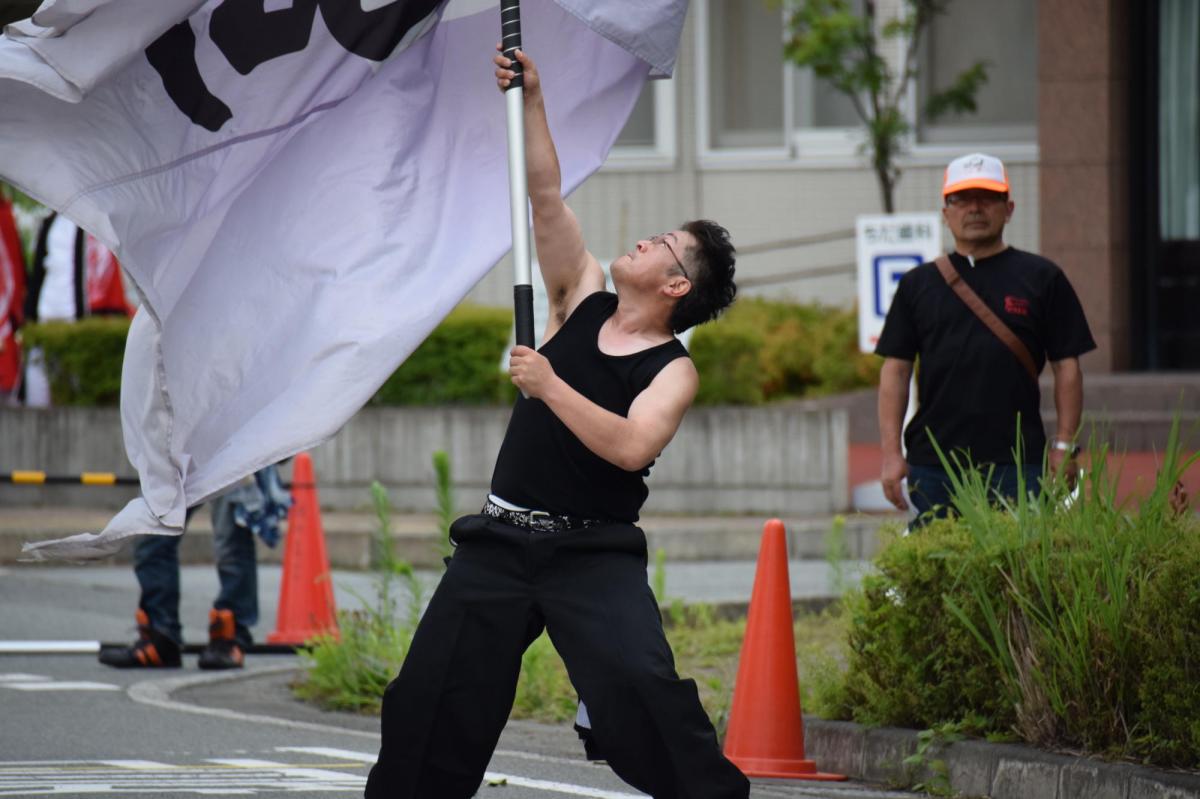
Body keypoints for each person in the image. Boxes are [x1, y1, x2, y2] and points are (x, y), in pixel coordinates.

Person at [363, 47, 748, 799]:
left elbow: (632, 444)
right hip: (499, 542)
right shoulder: (581, 292)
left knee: (643, 696)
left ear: (675, 284)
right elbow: (544, 196)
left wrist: (548, 384)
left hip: (591, 556)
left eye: (663, 245)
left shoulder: (673, 370)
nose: (644, 239)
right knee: (430, 699)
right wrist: (531, 98)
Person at [875, 153, 1096, 522]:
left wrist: (1063, 446)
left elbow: (1067, 367)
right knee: (936, 573)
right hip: (934, 463)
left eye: (987, 197)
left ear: (1008, 209)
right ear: (946, 213)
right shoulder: (918, 284)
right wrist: (890, 453)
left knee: (1016, 572)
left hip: (1018, 462)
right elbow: (895, 371)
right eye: (961, 199)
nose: (974, 208)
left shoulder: (1043, 278)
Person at [98, 465, 290, 669]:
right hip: (176, 447)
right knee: (151, 537)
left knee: (231, 542)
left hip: (227, 442)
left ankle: (229, 637)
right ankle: (160, 638)